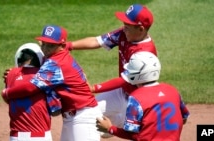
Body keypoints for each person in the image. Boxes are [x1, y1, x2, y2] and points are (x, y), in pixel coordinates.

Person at [67, 3, 157, 137]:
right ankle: (119, 120)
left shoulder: (144, 53)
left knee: (140, 136)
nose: (123, 27)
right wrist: (68, 45)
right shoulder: (124, 33)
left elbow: (125, 80)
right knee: (88, 114)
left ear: (140, 29)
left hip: (138, 101)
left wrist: (94, 88)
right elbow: (97, 41)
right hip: (121, 92)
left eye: (128, 25)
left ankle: (121, 121)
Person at [1, 25, 103, 141]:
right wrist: (16, 72)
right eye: (44, 43)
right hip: (73, 117)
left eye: (50, 45)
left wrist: (7, 93)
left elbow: (31, 87)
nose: (45, 48)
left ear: (62, 46)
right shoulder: (57, 57)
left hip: (83, 117)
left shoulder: (55, 63)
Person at [95, 51, 190, 141]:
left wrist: (110, 128)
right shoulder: (172, 90)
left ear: (137, 75)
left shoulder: (136, 98)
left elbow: (131, 134)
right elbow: (184, 118)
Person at [2, 43, 54, 141]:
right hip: (40, 136)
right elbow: (56, 109)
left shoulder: (10, 75)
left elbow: (9, 101)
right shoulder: (45, 77)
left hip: (15, 136)